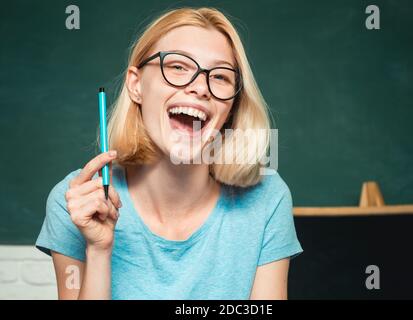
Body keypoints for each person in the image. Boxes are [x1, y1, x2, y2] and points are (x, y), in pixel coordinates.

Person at [36, 7, 303, 300]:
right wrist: (99, 251)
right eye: (177, 67)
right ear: (136, 85)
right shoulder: (77, 202)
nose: (201, 87)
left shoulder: (267, 198)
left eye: (220, 77)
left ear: (232, 108)